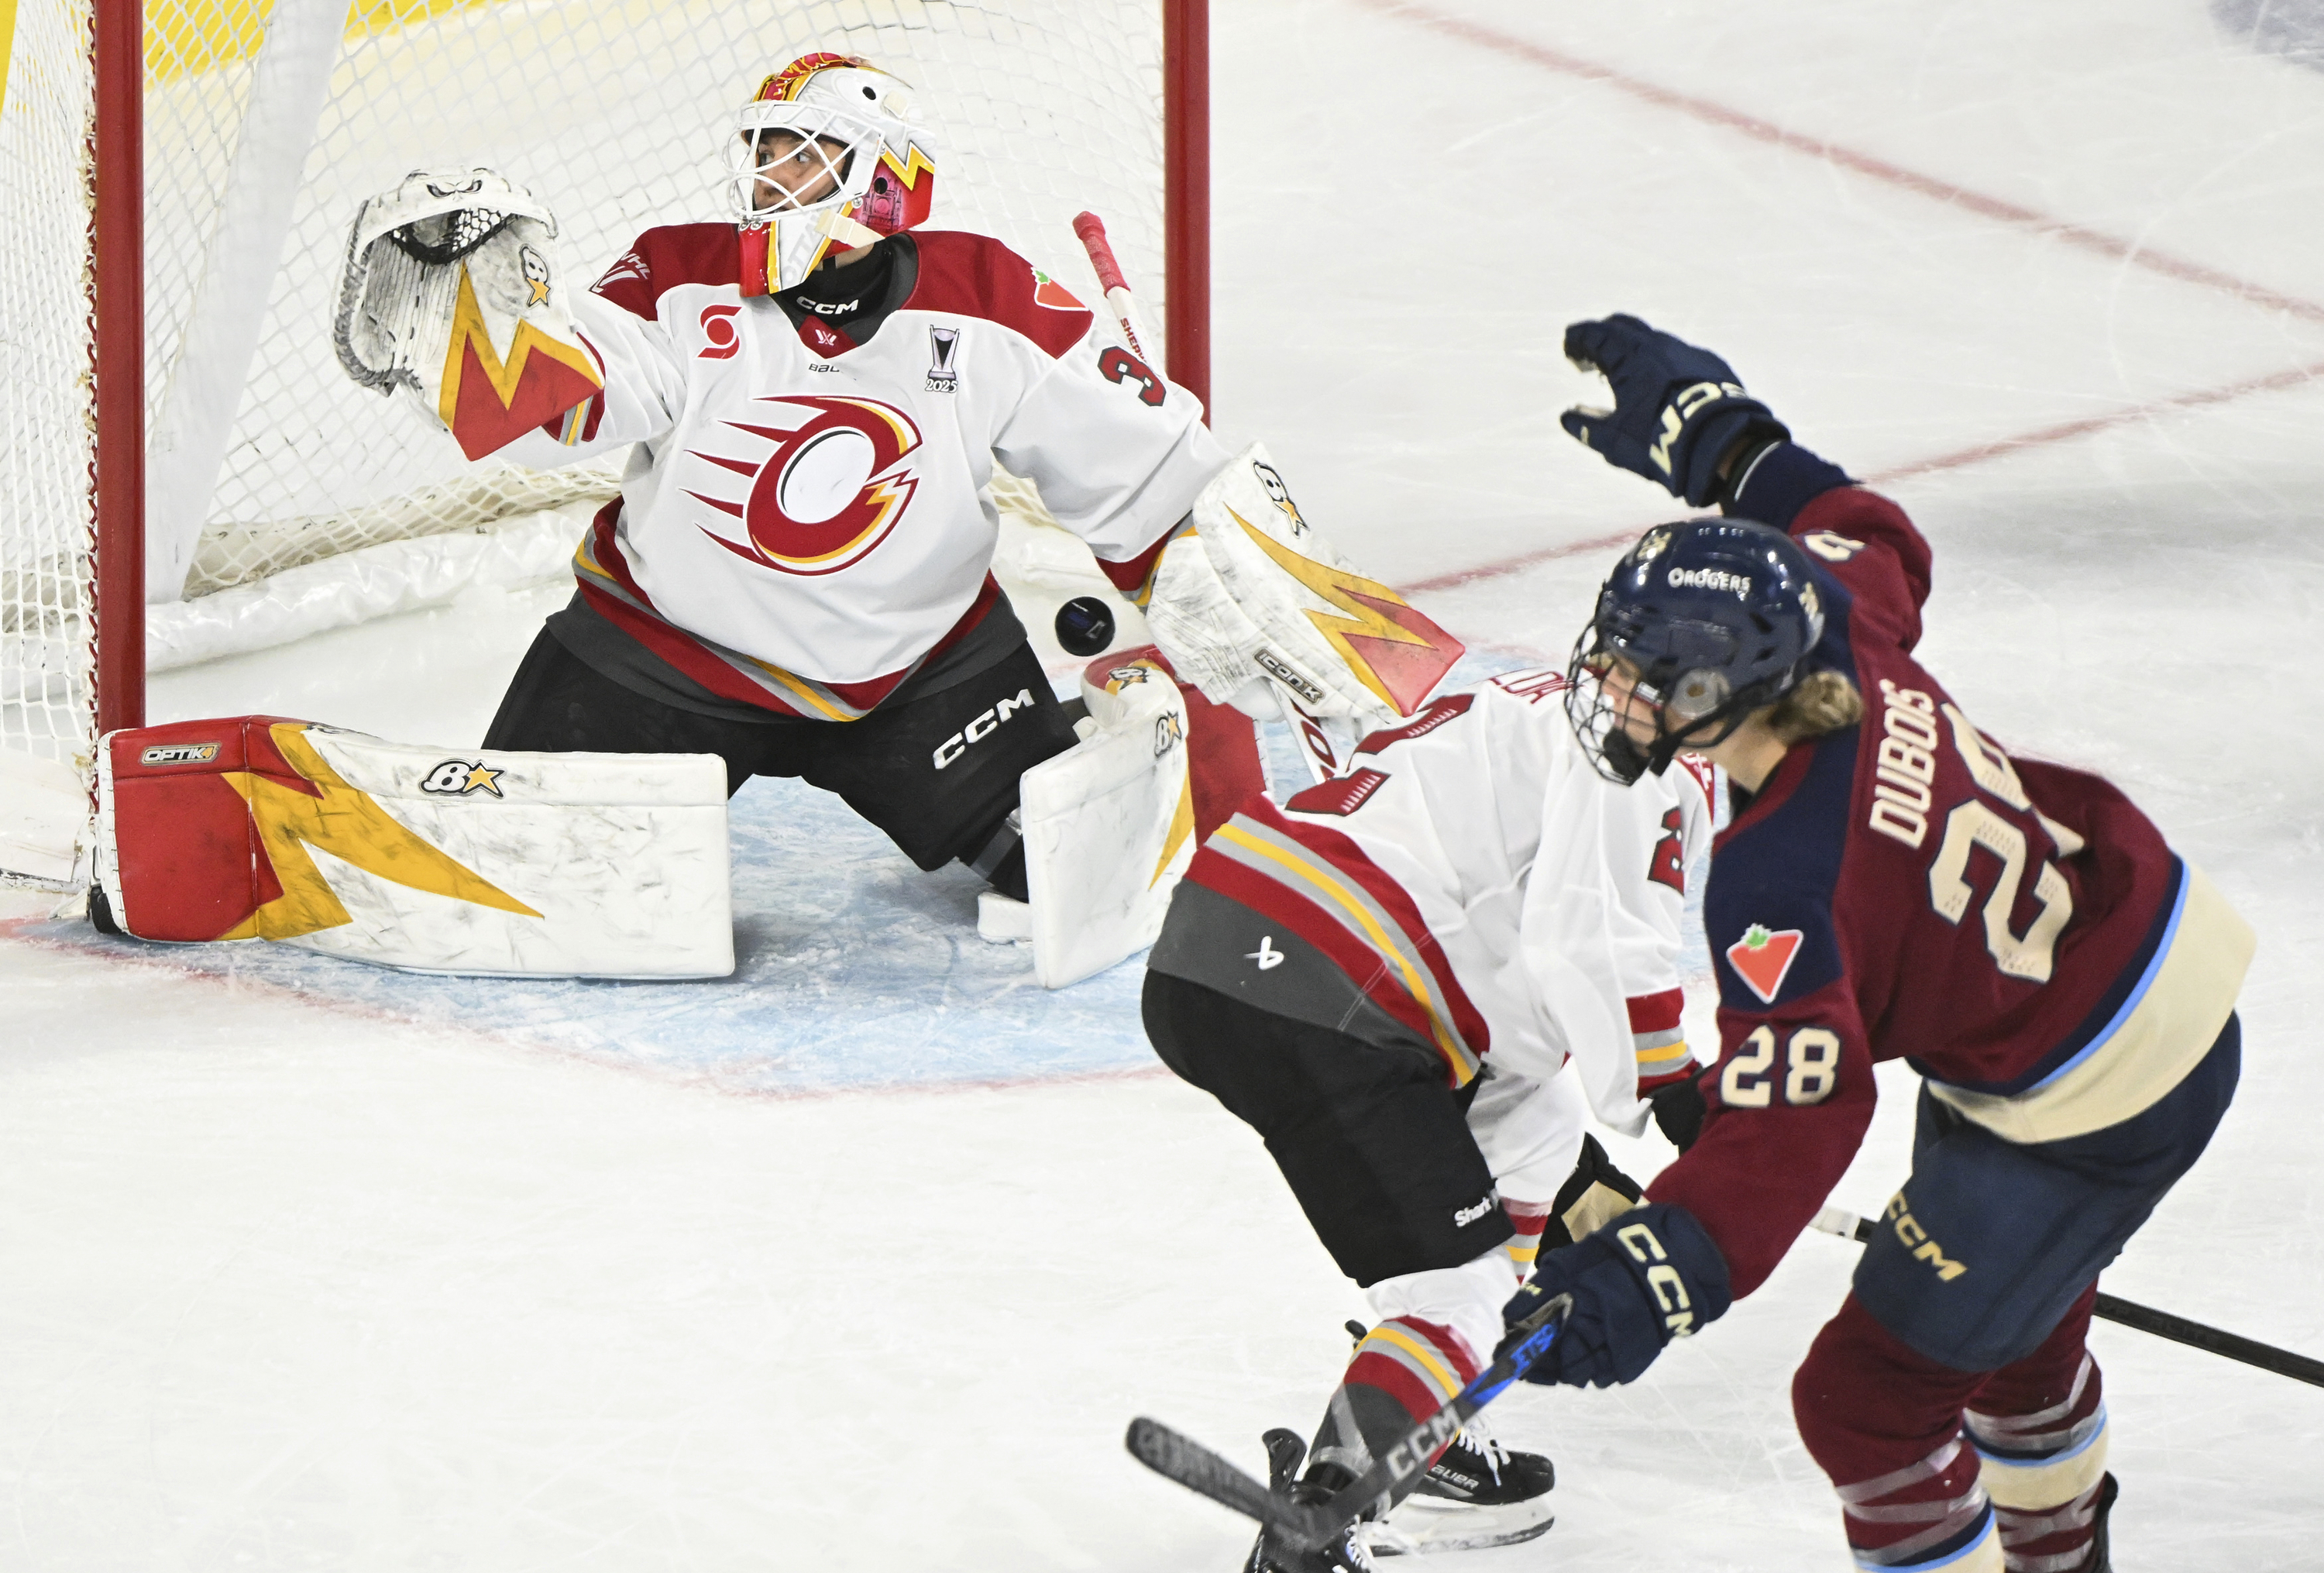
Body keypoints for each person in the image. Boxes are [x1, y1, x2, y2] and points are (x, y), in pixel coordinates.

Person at [1501, 314, 2254, 1573]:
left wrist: (1657, 1271)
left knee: (1860, 1401)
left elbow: (1801, 1125)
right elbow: (1878, 530)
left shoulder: (1780, 879)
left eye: (1643, 677)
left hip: (2088, 1097)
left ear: (1715, 699)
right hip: (2117, 984)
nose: (1614, 691)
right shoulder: (1835, 619)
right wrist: (1722, 440)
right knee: (2009, 1334)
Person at [473, 52, 1228, 902]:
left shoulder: (991, 296)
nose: (769, 180)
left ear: (885, 179)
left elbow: (1147, 475)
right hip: (668, 656)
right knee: (519, 869)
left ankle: (1063, 736)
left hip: (921, 669)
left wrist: (1230, 575)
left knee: (1081, 877)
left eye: (803, 155)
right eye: (763, 154)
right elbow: (563, 410)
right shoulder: (678, 273)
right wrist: (482, 343)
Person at [1139, 651, 1718, 1569]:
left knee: (1538, 1133)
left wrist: (1587, 1187)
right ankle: (1326, 1517)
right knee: (1456, 1292)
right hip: (1335, 985)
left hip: (1220, 925)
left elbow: (1512, 964)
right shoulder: (1656, 760)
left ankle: (1433, 1426)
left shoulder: (1527, 687)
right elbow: (1593, 941)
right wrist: (1678, 1090)